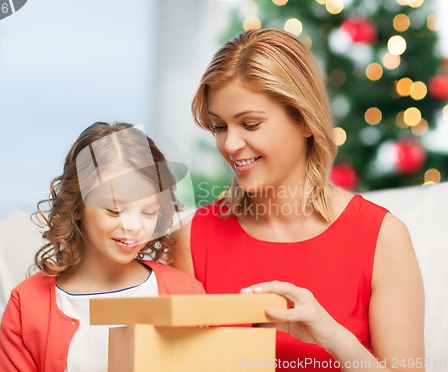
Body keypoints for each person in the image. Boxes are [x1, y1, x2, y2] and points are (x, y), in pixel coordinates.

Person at [172, 29, 424, 370]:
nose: (230, 145)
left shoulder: (382, 238)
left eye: (250, 124)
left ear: (304, 120)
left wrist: (334, 339)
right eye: (219, 127)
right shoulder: (193, 239)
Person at [0, 122, 205, 371]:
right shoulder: (27, 304)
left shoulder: (185, 294)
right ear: (77, 208)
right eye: (115, 210)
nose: (133, 227)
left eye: (148, 212)